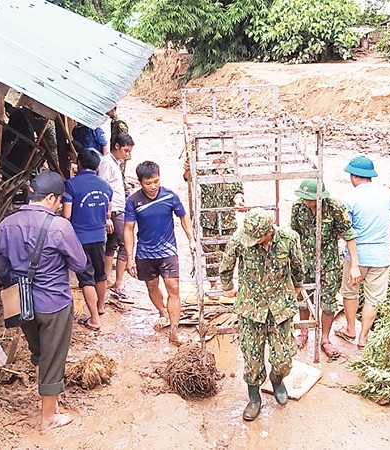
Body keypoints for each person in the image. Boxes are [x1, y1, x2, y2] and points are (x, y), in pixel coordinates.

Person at [0, 171, 86, 431]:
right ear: (52, 198)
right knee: (53, 357)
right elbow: (80, 262)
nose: (58, 206)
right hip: (54, 302)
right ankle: (48, 418)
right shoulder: (59, 226)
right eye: (58, 201)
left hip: (21, 302)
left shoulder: (5, 224)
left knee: (39, 353)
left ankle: (48, 405)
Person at [220, 208, 304, 422]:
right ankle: (254, 397)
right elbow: (226, 264)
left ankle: (277, 380)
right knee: (252, 359)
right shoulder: (240, 239)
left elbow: (297, 267)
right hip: (251, 307)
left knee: (284, 358)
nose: (254, 242)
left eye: (258, 238)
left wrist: (297, 285)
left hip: (280, 308)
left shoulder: (288, 239)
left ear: (269, 232)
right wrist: (227, 286)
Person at [123, 161, 195, 346]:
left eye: (156, 181)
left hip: (168, 251)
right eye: (149, 183)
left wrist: (191, 239)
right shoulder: (133, 201)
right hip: (145, 254)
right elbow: (128, 229)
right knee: (152, 286)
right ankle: (162, 312)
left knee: (174, 288)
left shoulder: (170, 196)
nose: (153, 186)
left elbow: (183, 216)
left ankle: (174, 331)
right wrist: (130, 258)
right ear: (140, 182)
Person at [289, 179, 360, 358]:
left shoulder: (334, 207)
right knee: (303, 298)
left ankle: (325, 339)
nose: (307, 202)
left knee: (328, 303)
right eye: (304, 198)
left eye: (310, 199)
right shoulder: (298, 207)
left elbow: (349, 235)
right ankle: (304, 332)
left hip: (328, 262)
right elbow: (293, 234)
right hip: (304, 261)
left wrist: (355, 266)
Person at [338, 156, 390, 348]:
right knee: (373, 298)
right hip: (381, 257)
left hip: (357, 257)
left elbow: (346, 230)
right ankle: (363, 337)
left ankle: (350, 329)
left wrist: (353, 263)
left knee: (350, 292)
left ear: (354, 177)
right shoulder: (388, 195)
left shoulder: (348, 199)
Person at [182, 143, 245, 289]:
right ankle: (213, 284)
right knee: (211, 254)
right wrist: (187, 168)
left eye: (222, 154)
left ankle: (227, 283)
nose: (220, 158)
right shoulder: (205, 172)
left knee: (229, 253)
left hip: (228, 221)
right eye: (216, 154)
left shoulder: (233, 173)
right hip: (209, 221)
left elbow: (238, 192)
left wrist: (238, 201)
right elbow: (189, 178)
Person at [63, 150, 114, 330]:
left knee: (86, 278)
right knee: (101, 274)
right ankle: (100, 307)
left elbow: (67, 215)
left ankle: (94, 319)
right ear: (97, 166)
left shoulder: (71, 185)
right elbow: (108, 213)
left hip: (80, 238)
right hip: (100, 236)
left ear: (79, 164)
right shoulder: (106, 186)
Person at [98, 132, 133, 300]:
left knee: (112, 244)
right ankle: (118, 282)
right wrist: (107, 216)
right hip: (115, 210)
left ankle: (107, 278)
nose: (127, 154)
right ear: (117, 147)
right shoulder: (107, 164)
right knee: (125, 245)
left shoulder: (114, 162)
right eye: (125, 150)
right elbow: (103, 189)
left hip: (117, 208)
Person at [107, 106, 130, 176]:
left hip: (120, 152)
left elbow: (125, 139)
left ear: (112, 110)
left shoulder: (119, 123)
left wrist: (122, 156)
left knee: (119, 174)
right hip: (117, 152)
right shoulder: (114, 121)